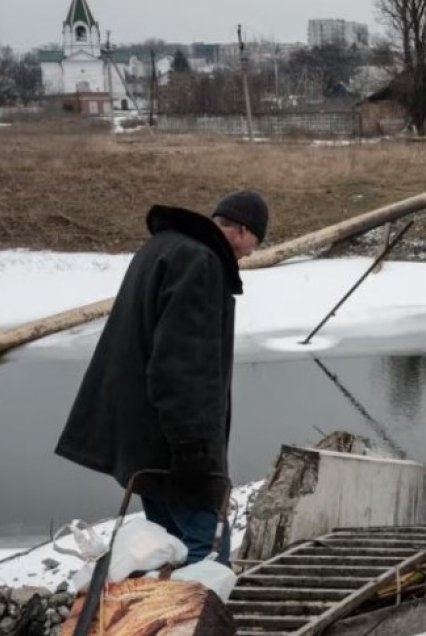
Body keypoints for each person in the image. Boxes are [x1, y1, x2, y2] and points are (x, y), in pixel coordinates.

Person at [55, 190, 269, 565]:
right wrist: (194, 452)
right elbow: (183, 367)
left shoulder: (162, 247)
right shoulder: (200, 262)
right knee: (207, 551)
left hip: (144, 441)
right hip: (174, 451)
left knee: (168, 548)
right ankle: (199, 621)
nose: (250, 252)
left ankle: (170, 617)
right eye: (256, 241)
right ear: (241, 230)